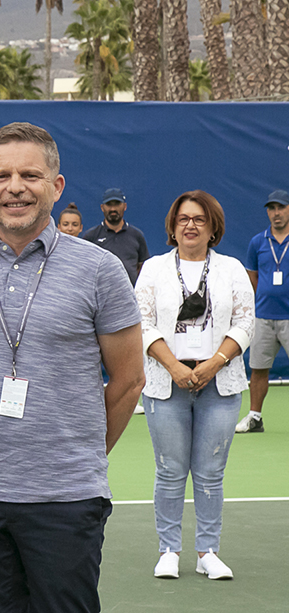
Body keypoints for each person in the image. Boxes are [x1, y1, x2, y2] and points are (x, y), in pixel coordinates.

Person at [0, 122, 145, 612]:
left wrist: (80, 453)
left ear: (56, 186)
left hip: (66, 499)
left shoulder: (99, 270)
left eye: (30, 174)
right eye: (1, 176)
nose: (15, 187)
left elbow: (130, 380)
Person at [135, 190, 253, 580]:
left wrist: (212, 365)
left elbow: (244, 323)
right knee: (169, 470)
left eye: (199, 219)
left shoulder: (232, 269)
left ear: (212, 227)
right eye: (183, 218)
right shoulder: (153, 269)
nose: (190, 225)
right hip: (166, 383)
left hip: (220, 384)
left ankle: (207, 552)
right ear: (172, 226)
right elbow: (143, 322)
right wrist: (173, 366)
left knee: (210, 473)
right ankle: (168, 549)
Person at [239, 189, 289, 434]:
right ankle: (255, 418)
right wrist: (266, 297)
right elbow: (253, 277)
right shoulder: (258, 242)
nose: (276, 213)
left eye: (281, 207)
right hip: (263, 317)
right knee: (258, 368)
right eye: (271, 208)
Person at [82, 187, 150, 285]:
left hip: (130, 295)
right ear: (102, 207)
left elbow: (143, 268)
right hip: (101, 296)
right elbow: (85, 268)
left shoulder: (137, 235)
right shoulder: (91, 236)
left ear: (124, 206)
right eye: (109, 205)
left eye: (117, 204)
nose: (113, 209)